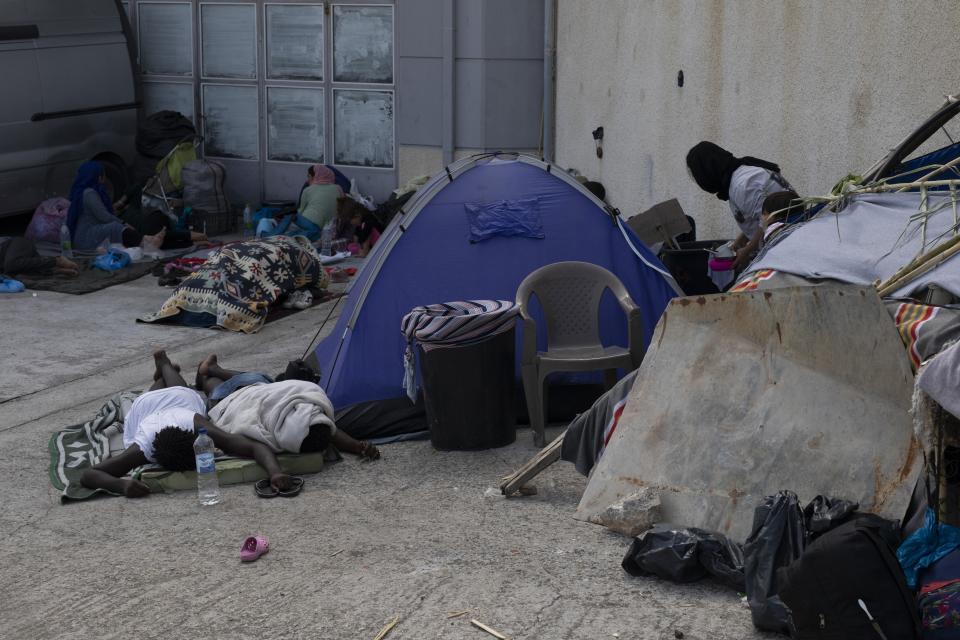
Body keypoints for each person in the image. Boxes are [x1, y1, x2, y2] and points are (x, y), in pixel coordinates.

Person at [80, 350, 294, 498]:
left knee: (175, 389)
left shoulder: (193, 426)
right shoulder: (145, 448)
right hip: (152, 406)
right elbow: (88, 475)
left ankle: (164, 366)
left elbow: (91, 474)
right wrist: (122, 485)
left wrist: (275, 472)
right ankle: (164, 367)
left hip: (161, 403)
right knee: (177, 388)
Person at [195, 354, 380, 459]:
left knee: (224, 387)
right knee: (245, 382)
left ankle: (207, 373)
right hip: (260, 392)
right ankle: (209, 371)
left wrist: (358, 447)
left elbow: (330, 431)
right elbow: (331, 431)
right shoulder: (298, 427)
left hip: (247, 396)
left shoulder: (293, 424)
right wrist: (358, 446)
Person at [686, 141, 795, 272]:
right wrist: (738, 243)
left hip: (787, 249)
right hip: (783, 242)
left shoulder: (743, 185)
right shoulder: (740, 177)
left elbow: (771, 221)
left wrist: (747, 251)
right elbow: (759, 217)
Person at [66, 161, 164, 252]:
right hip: (86, 239)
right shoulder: (89, 193)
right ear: (98, 177)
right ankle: (146, 243)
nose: (104, 178)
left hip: (86, 236)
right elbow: (104, 216)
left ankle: (147, 240)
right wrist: (124, 223)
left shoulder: (85, 192)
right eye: (103, 175)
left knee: (116, 226)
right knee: (114, 227)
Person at [261, 164, 343, 241]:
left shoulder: (308, 189)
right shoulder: (338, 189)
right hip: (325, 228)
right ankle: (278, 238)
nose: (307, 180)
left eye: (308, 176)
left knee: (291, 215)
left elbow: (300, 211)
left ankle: (268, 236)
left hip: (309, 223)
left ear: (313, 177)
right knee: (301, 234)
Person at [0, 237, 79, 277]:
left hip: (17, 244)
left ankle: (57, 261)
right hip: (13, 262)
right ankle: (52, 270)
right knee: (12, 272)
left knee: (11, 265)